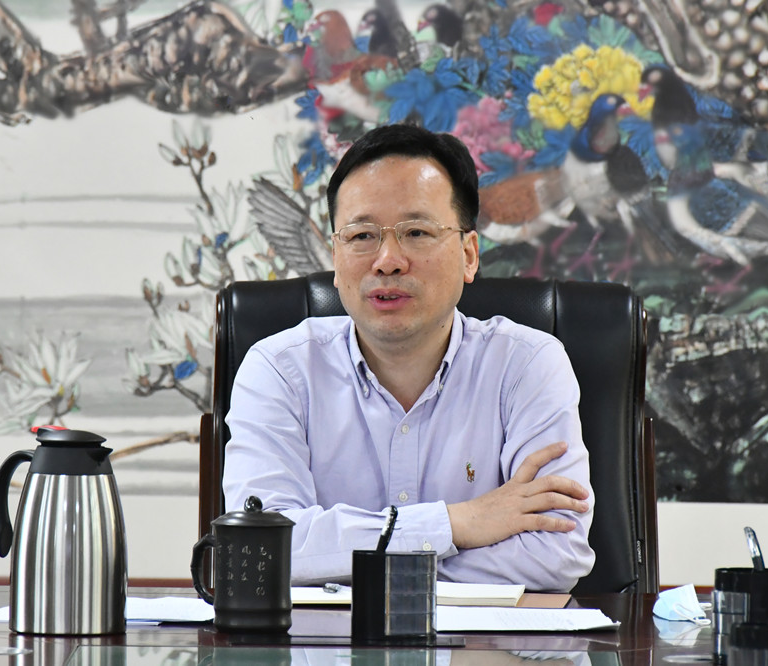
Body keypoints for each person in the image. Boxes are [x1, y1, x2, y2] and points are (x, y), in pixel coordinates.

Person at [222, 124, 594, 591]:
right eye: (362, 236)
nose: (388, 261)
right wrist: (456, 524)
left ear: (469, 255)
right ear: (335, 257)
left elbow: (556, 553)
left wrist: (347, 566)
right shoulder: (279, 370)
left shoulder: (528, 365)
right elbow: (262, 551)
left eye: (417, 232)